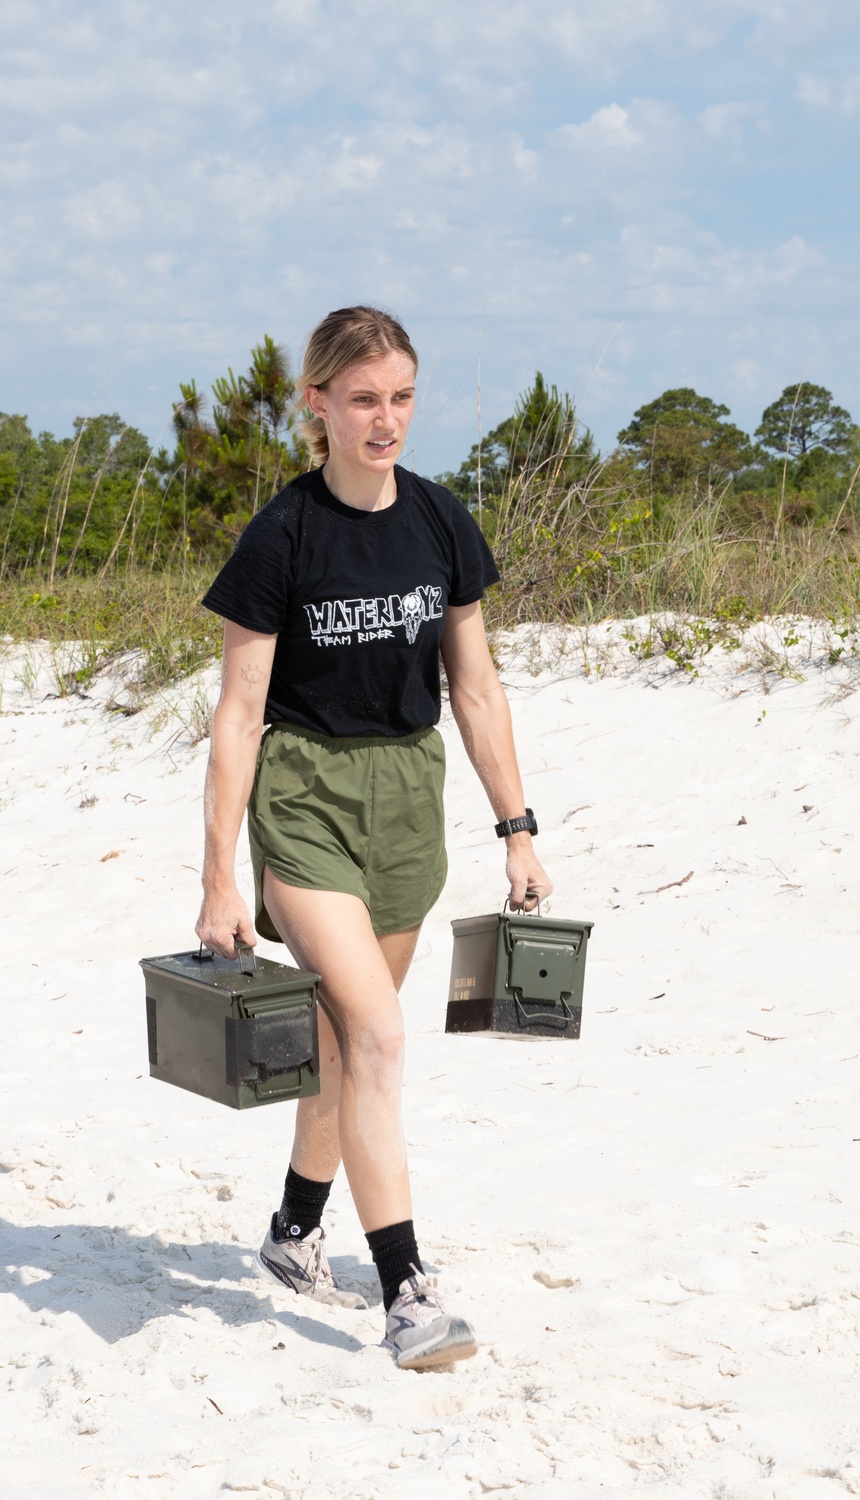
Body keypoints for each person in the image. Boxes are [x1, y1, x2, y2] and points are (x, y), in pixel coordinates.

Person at [195, 305, 553, 1371]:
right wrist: (221, 877)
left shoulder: (441, 523)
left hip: (406, 797)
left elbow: (477, 689)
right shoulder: (282, 534)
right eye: (361, 400)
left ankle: (297, 1227)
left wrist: (517, 831)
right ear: (317, 403)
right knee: (381, 1037)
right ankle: (407, 1293)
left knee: (347, 1046)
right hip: (303, 801)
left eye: (399, 397)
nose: (383, 419)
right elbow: (236, 715)